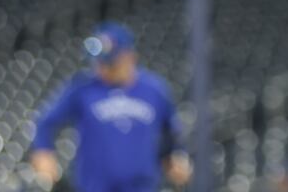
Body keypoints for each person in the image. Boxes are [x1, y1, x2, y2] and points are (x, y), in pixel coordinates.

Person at [30, 22, 190, 192]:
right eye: (99, 63)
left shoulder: (154, 89)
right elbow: (45, 122)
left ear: (130, 57)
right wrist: (43, 151)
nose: (102, 68)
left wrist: (175, 156)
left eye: (110, 63)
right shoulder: (83, 87)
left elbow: (171, 133)